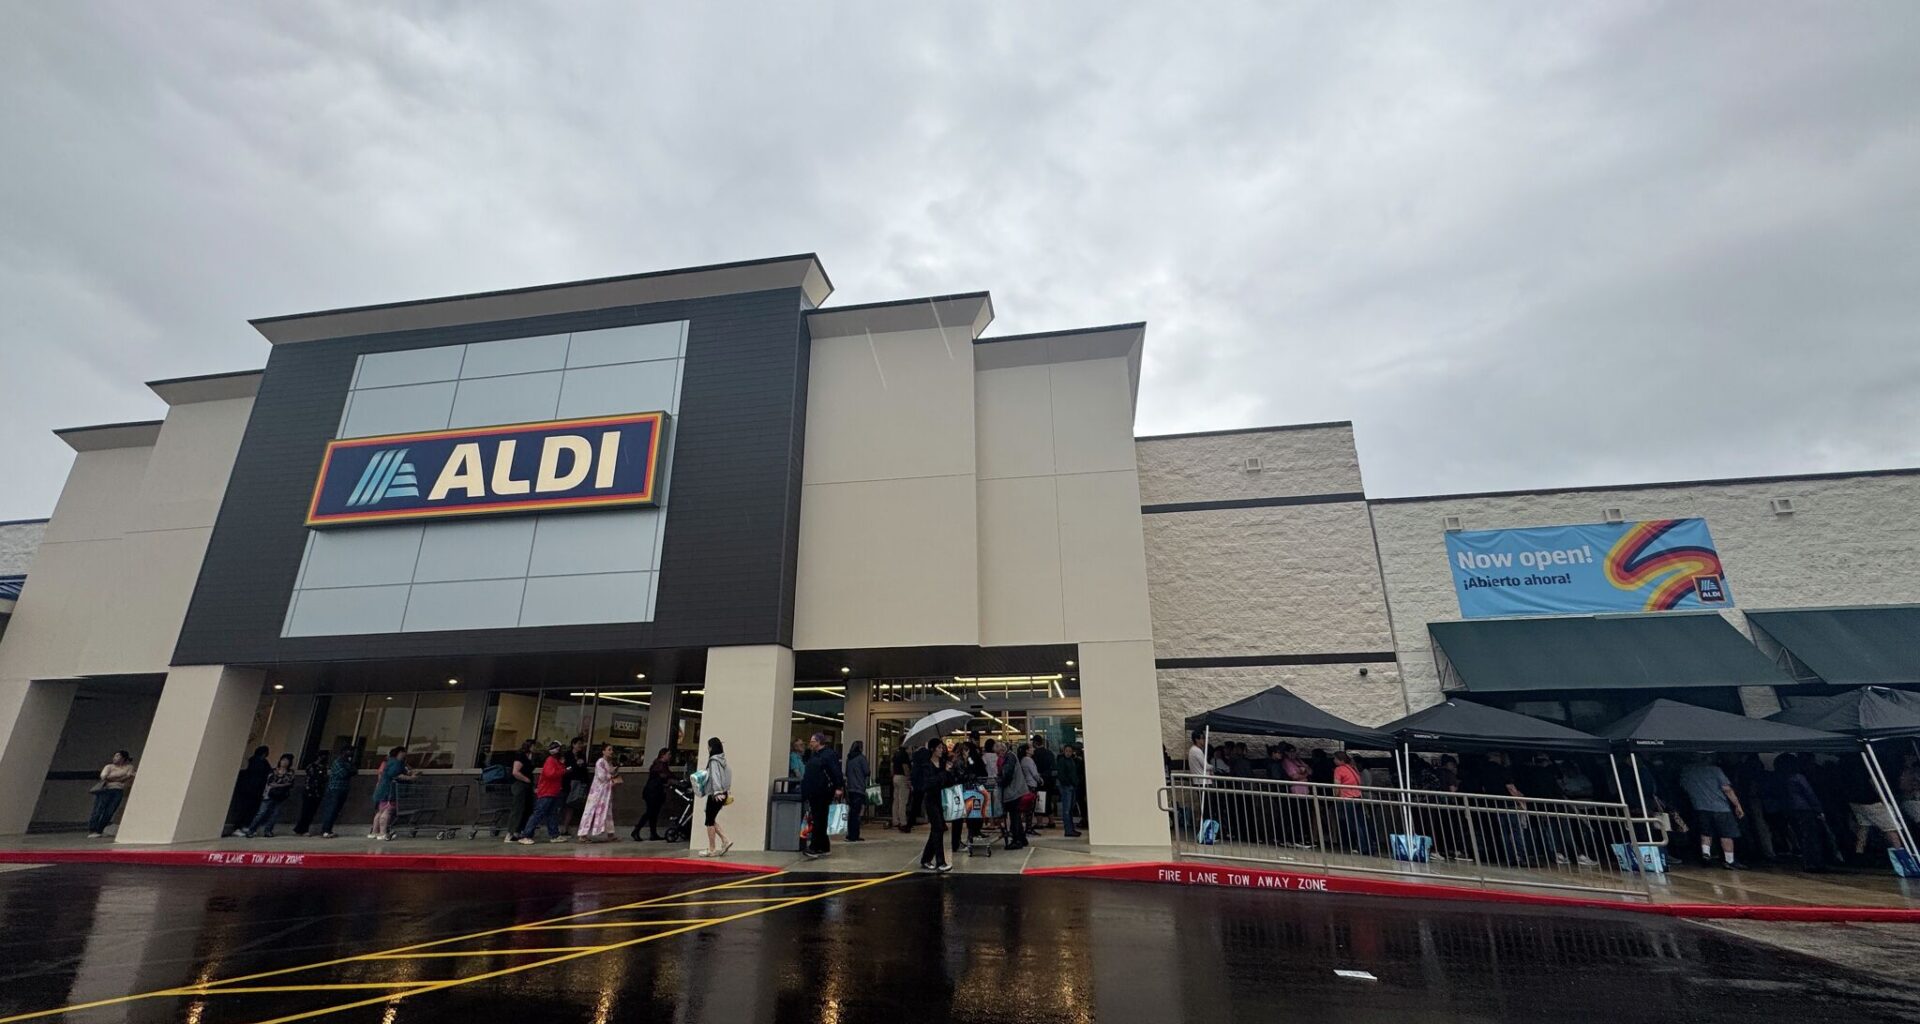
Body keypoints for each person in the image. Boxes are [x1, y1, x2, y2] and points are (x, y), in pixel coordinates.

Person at [1678, 754, 1746, 869]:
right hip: (1721, 808)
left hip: (1699, 806)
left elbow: (1683, 786)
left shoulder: (1687, 771)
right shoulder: (1715, 770)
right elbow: (1727, 789)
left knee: (1705, 832)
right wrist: (1737, 805)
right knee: (1726, 834)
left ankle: (1706, 854)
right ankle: (1729, 860)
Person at [1776, 754, 1831, 873]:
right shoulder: (1798, 777)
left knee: (1802, 836)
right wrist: (1819, 809)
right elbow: (1809, 793)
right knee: (1812, 836)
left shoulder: (1782, 778)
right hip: (1805, 809)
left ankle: (1808, 863)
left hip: (1791, 809)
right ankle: (1816, 863)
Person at [800, 732, 846, 859]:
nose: (811, 743)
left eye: (813, 741)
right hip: (814, 791)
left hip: (823, 792)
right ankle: (824, 846)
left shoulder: (828, 755)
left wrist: (838, 787)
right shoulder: (815, 755)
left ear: (819, 742)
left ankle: (815, 847)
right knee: (819, 819)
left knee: (819, 819)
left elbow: (835, 771)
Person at [514, 742, 568, 844]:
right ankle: (526, 835)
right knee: (538, 813)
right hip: (547, 792)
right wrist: (563, 770)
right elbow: (550, 774)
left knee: (552, 814)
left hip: (553, 791)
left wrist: (562, 766)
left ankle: (554, 835)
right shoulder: (550, 760)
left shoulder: (555, 761)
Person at [918, 738, 955, 872]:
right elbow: (928, 783)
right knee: (938, 828)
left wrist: (949, 771)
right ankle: (940, 862)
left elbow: (949, 782)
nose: (941, 750)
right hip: (931, 800)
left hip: (942, 800)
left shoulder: (943, 763)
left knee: (936, 829)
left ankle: (926, 859)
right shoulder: (926, 765)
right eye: (939, 748)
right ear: (932, 749)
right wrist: (943, 773)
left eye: (942, 747)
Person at [241, 754, 298, 838]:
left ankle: (268, 830)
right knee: (262, 812)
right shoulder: (273, 771)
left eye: (287, 761)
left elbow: (290, 783)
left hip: (281, 795)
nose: (284, 762)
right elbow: (271, 783)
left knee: (275, 814)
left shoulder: (290, 772)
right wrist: (282, 784)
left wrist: (279, 784)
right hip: (269, 794)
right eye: (283, 760)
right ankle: (251, 830)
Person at [1332, 750, 1376, 855]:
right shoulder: (1353, 768)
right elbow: (1359, 782)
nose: (1333, 760)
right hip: (1358, 797)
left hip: (1347, 798)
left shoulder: (1339, 769)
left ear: (1340, 760)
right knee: (1362, 823)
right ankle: (1370, 846)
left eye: (1335, 758)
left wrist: (1335, 796)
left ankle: (1362, 847)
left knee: (1354, 823)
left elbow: (1337, 785)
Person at [368, 746, 416, 841]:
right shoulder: (396, 763)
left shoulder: (389, 762)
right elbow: (396, 775)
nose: (405, 755)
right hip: (390, 791)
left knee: (380, 811)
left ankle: (374, 832)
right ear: (400, 753)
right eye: (404, 752)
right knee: (388, 811)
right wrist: (411, 778)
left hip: (382, 791)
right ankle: (382, 833)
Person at [576, 743, 621, 842]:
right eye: (609, 749)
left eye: (612, 750)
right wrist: (612, 776)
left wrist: (613, 773)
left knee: (607, 811)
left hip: (606, 791)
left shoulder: (608, 763)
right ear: (603, 751)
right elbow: (601, 776)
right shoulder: (600, 762)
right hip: (597, 792)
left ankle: (610, 834)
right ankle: (583, 834)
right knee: (590, 811)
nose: (611, 752)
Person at [86, 750, 136, 838]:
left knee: (110, 811)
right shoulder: (109, 766)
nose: (115, 758)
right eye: (115, 756)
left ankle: (100, 829)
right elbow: (104, 777)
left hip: (118, 790)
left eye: (118, 756)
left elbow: (129, 777)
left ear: (123, 758)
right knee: (99, 809)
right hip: (106, 789)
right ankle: (92, 829)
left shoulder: (129, 767)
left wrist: (113, 778)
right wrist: (120, 778)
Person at [698, 737, 733, 857]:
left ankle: (712, 849)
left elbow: (715, 776)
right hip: (723, 793)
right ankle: (725, 840)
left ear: (711, 747)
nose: (708, 748)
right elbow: (728, 775)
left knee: (709, 821)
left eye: (708, 746)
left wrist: (717, 792)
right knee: (711, 818)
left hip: (715, 794)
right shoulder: (723, 760)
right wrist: (726, 790)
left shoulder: (713, 761)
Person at [226, 746, 271, 836]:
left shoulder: (256, 762)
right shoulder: (257, 763)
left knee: (249, 809)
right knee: (246, 809)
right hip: (252, 790)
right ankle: (239, 827)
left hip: (254, 790)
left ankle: (244, 826)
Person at [632, 747, 674, 841]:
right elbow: (666, 775)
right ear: (663, 755)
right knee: (650, 813)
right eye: (668, 754)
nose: (670, 756)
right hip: (653, 792)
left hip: (655, 792)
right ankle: (637, 830)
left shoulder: (660, 765)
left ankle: (653, 833)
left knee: (653, 813)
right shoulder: (659, 765)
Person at [315, 745, 356, 838]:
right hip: (335, 789)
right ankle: (325, 830)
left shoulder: (348, 762)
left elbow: (355, 771)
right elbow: (343, 774)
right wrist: (349, 770)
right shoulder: (338, 762)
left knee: (336, 810)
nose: (351, 753)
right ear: (344, 751)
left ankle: (329, 829)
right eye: (349, 751)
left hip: (344, 789)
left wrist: (349, 769)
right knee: (331, 809)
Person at [506, 740, 538, 840]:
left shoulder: (531, 757)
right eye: (533, 746)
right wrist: (526, 779)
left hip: (528, 785)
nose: (535, 748)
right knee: (518, 808)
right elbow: (515, 772)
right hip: (520, 784)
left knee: (528, 808)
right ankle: (510, 832)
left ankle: (519, 831)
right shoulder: (520, 756)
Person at [293, 750, 330, 836]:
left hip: (318, 792)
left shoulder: (323, 768)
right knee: (306, 811)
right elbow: (313, 778)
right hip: (310, 791)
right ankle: (302, 829)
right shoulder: (312, 766)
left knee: (311, 812)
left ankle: (302, 828)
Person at [560, 736, 592, 836]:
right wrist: (575, 764)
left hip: (579, 782)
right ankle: (559, 827)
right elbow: (565, 768)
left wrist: (586, 781)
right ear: (573, 744)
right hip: (568, 783)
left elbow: (584, 769)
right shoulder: (567, 755)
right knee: (564, 804)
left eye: (581, 744)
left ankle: (566, 827)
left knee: (572, 805)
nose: (580, 746)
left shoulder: (582, 755)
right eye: (578, 744)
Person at [1057, 743, 1084, 838]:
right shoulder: (1063, 761)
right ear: (1064, 751)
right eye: (1066, 751)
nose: (1068, 753)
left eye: (1070, 751)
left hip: (1071, 786)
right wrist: (1070, 783)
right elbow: (1061, 775)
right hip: (1067, 787)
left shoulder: (1071, 760)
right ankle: (1068, 830)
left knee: (1069, 809)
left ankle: (1070, 829)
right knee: (1067, 809)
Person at [845, 740, 870, 843]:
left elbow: (846, 773)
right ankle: (854, 835)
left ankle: (850, 833)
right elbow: (867, 771)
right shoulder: (861, 758)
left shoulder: (849, 758)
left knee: (852, 812)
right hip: (859, 788)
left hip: (850, 788)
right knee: (857, 812)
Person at [1030, 735, 1057, 830]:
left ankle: (1039, 822)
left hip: (1040, 780)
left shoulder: (1035, 754)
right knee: (1048, 800)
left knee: (1039, 801)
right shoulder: (1049, 753)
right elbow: (1053, 768)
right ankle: (1051, 821)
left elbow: (1034, 769)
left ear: (1035, 743)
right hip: (1049, 781)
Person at [890, 744, 912, 830]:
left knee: (896, 800)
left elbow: (892, 766)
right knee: (903, 801)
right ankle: (903, 821)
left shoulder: (895, 754)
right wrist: (908, 779)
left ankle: (895, 820)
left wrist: (893, 775)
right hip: (902, 777)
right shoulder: (904, 754)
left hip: (895, 777)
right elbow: (905, 767)